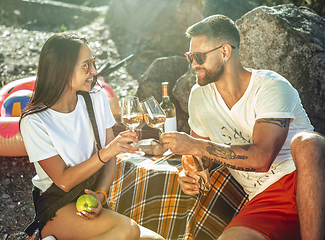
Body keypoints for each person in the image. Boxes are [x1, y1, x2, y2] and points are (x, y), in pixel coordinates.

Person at [161, 15, 325, 240]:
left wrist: (196, 146)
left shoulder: (271, 86)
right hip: (264, 199)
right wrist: (190, 170)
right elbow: (199, 156)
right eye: (190, 57)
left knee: (309, 143)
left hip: (303, 177)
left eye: (198, 56)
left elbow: (261, 158)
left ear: (225, 52)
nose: (193, 64)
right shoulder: (199, 97)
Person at [20, 33, 164, 240]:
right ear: (62, 69)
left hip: (90, 197)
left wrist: (101, 194)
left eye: (93, 63)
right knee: (127, 230)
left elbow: (110, 157)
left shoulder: (97, 98)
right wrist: (107, 151)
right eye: (86, 66)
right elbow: (63, 181)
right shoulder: (34, 121)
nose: (94, 72)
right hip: (58, 206)